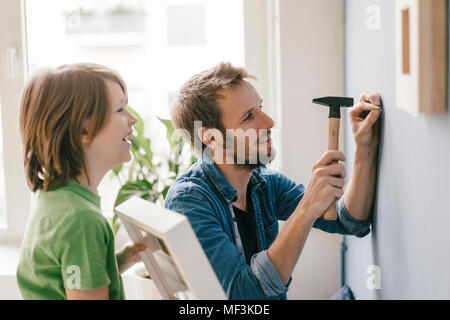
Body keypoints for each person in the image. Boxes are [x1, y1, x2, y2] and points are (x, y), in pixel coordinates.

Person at [164, 62, 381, 299]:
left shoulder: (264, 184)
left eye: (260, 108)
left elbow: (351, 222)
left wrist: (364, 147)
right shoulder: (189, 202)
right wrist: (307, 207)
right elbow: (246, 297)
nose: (268, 122)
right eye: (248, 116)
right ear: (211, 138)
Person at [16, 63, 144, 300]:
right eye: (120, 110)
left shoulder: (56, 199)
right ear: (83, 130)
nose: (133, 118)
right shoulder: (81, 220)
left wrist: (122, 260)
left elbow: (68, 280)